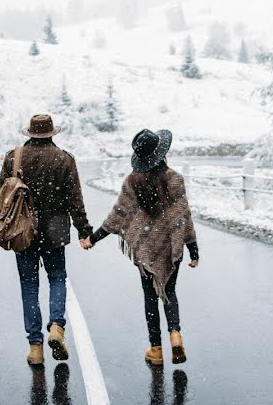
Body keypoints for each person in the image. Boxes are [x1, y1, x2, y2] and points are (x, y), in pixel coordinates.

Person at [84, 129, 199, 366]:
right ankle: (175, 334)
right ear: (161, 154)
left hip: (146, 249)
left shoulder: (132, 182)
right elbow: (183, 217)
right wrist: (193, 250)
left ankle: (155, 350)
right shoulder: (175, 179)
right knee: (170, 292)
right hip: (170, 246)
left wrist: (92, 239)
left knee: (150, 297)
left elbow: (116, 216)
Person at [0, 114, 93, 366]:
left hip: (23, 232)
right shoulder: (64, 159)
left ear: (29, 133)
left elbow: (3, 197)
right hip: (55, 231)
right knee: (57, 278)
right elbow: (75, 201)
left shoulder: (13, 158)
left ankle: (35, 348)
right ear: (52, 133)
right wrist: (84, 231)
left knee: (29, 287)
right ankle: (57, 327)